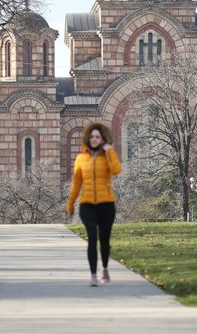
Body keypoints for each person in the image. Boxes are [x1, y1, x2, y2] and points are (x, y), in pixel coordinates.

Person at [66, 123, 122, 287]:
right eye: (92, 137)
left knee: (104, 239)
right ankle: (93, 275)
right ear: (88, 139)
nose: (95, 139)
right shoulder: (81, 158)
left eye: (98, 137)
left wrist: (109, 150)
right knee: (92, 238)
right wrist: (70, 204)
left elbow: (117, 170)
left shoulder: (108, 155)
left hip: (106, 203)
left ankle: (104, 268)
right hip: (87, 203)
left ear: (103, 139)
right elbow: (76, 183)